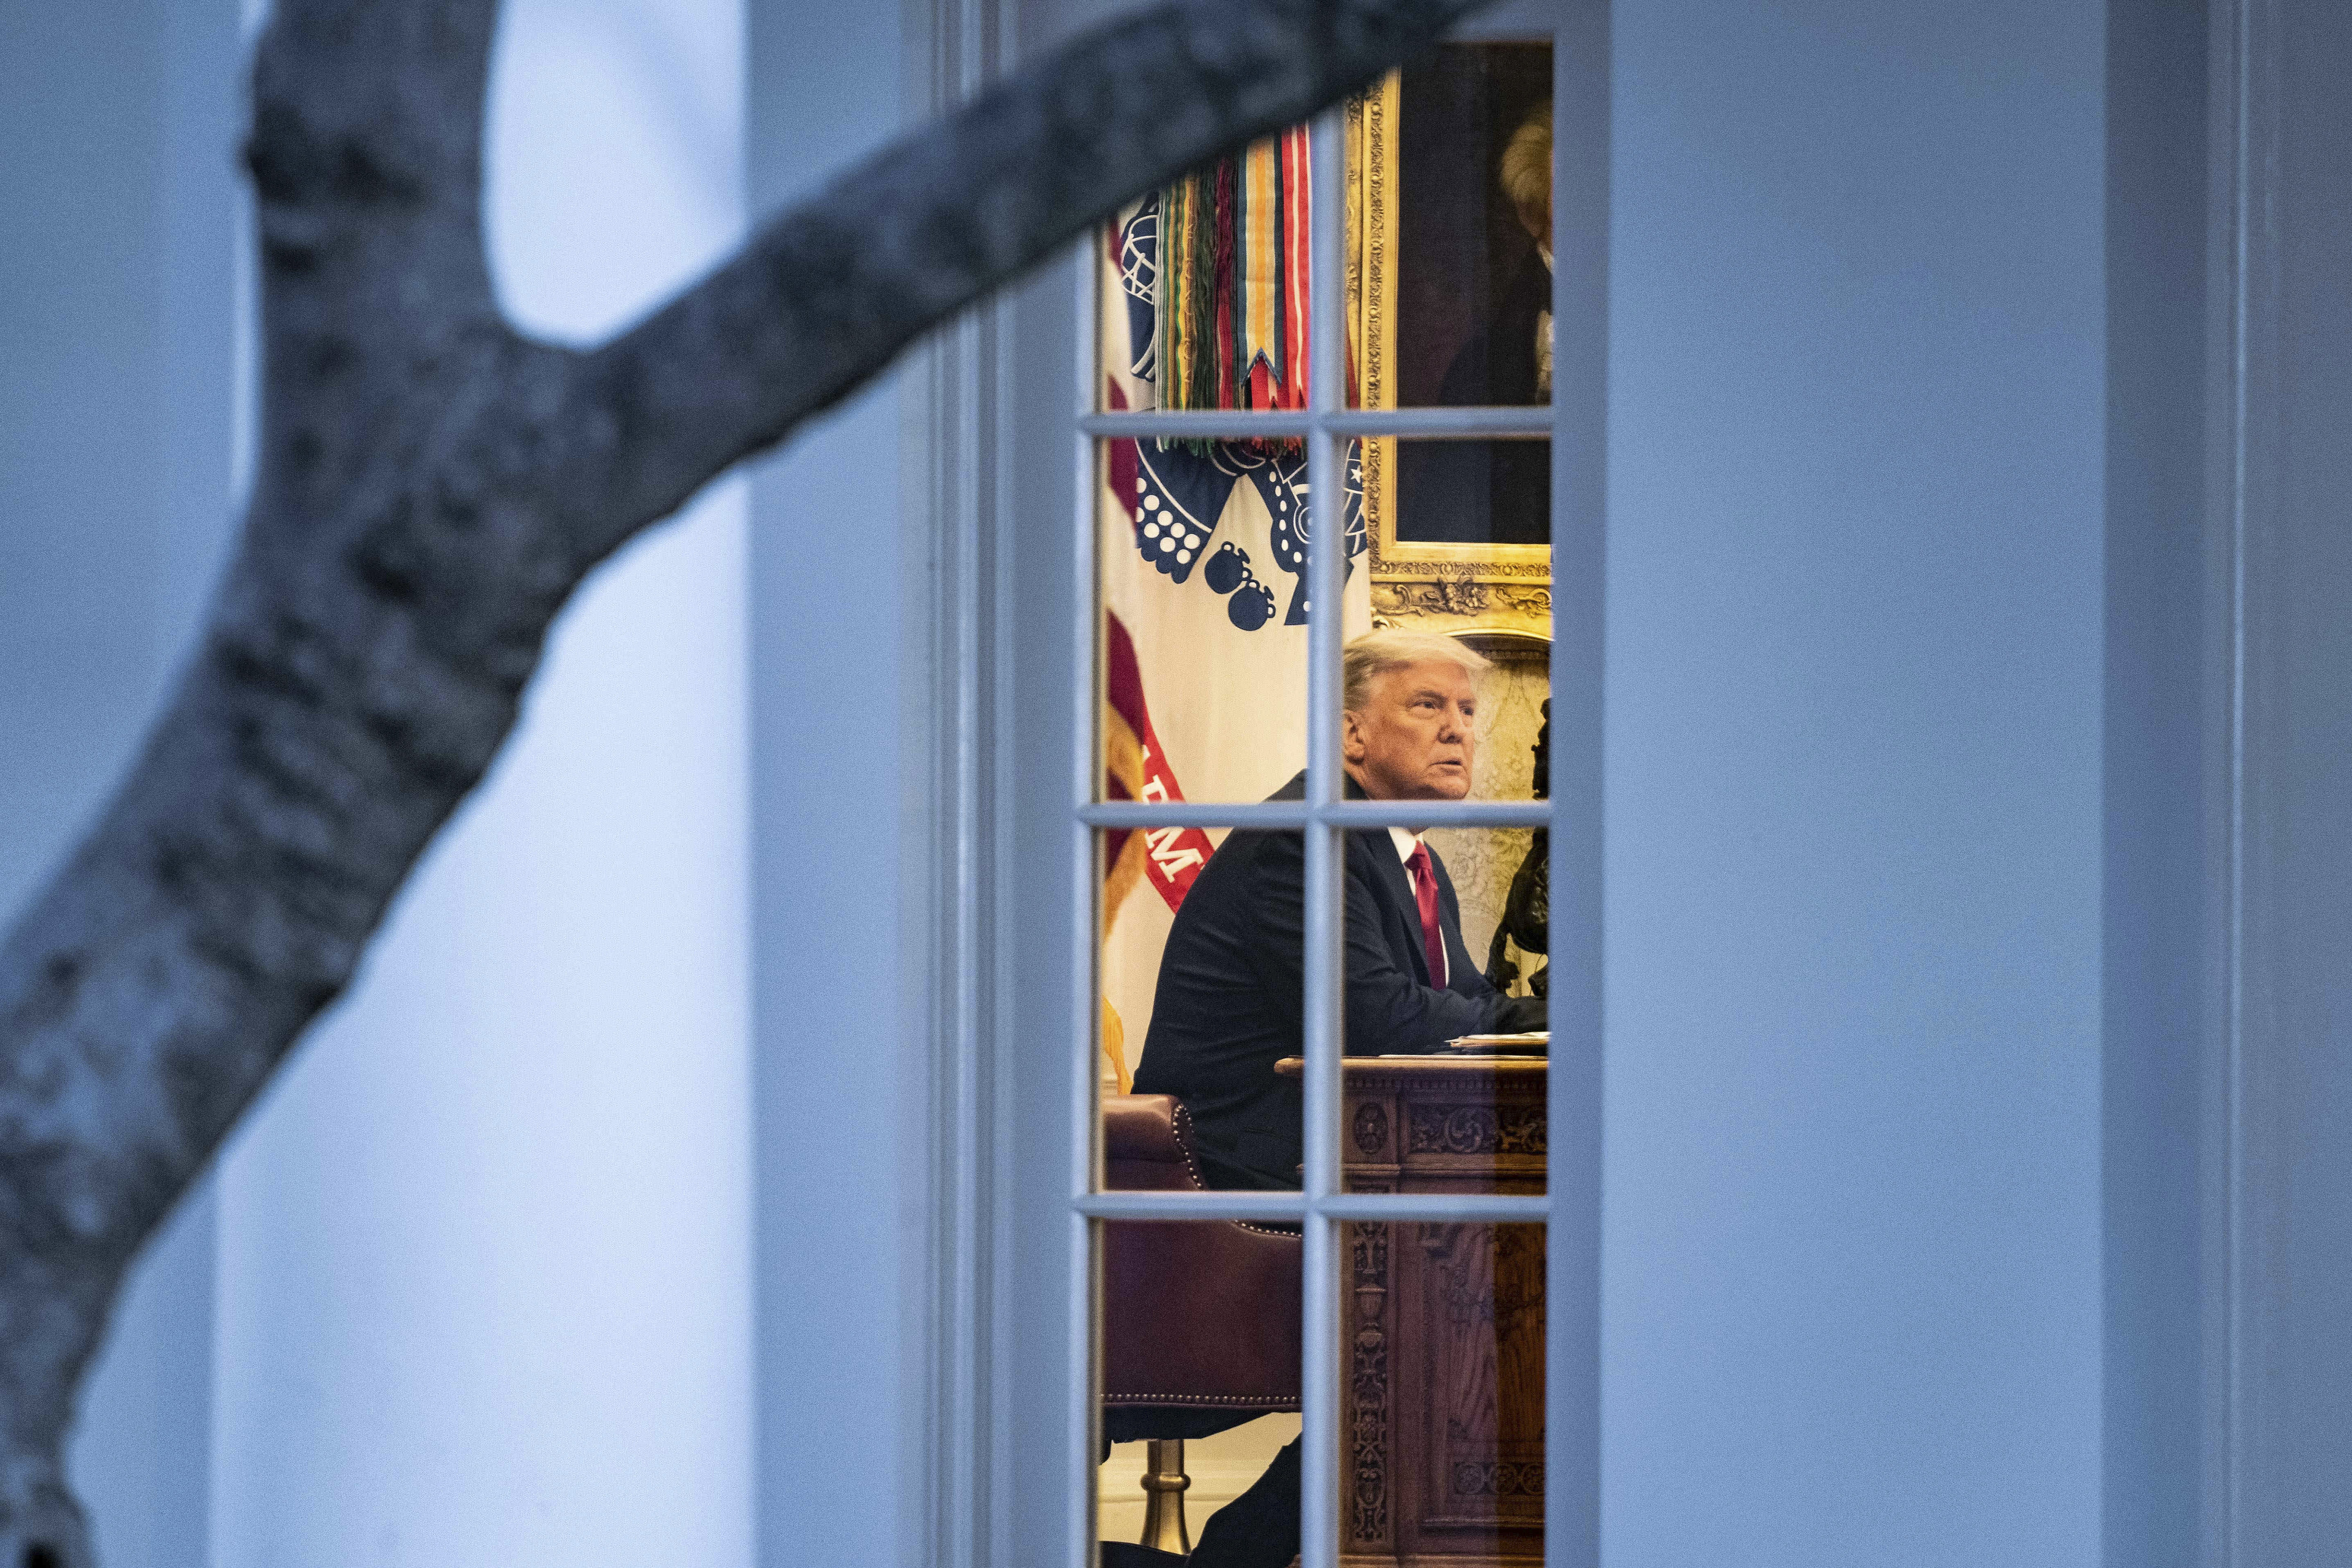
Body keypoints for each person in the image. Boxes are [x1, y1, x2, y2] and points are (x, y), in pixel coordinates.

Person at [1128, 628, 1546, 1566]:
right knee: (1444, 1317)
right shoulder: (1303, 841)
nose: (1458, 733)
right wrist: (1551, 1014)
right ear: (1353, 735)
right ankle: (1251, 1553)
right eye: (1428, 706)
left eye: (1468, 712)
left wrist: (1537, 1014)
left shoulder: (1409, 859)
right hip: (1240, 1167)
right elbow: (1388, 1019)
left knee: (1487, 1291)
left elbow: (1469, 1008)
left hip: (1347, 1150)